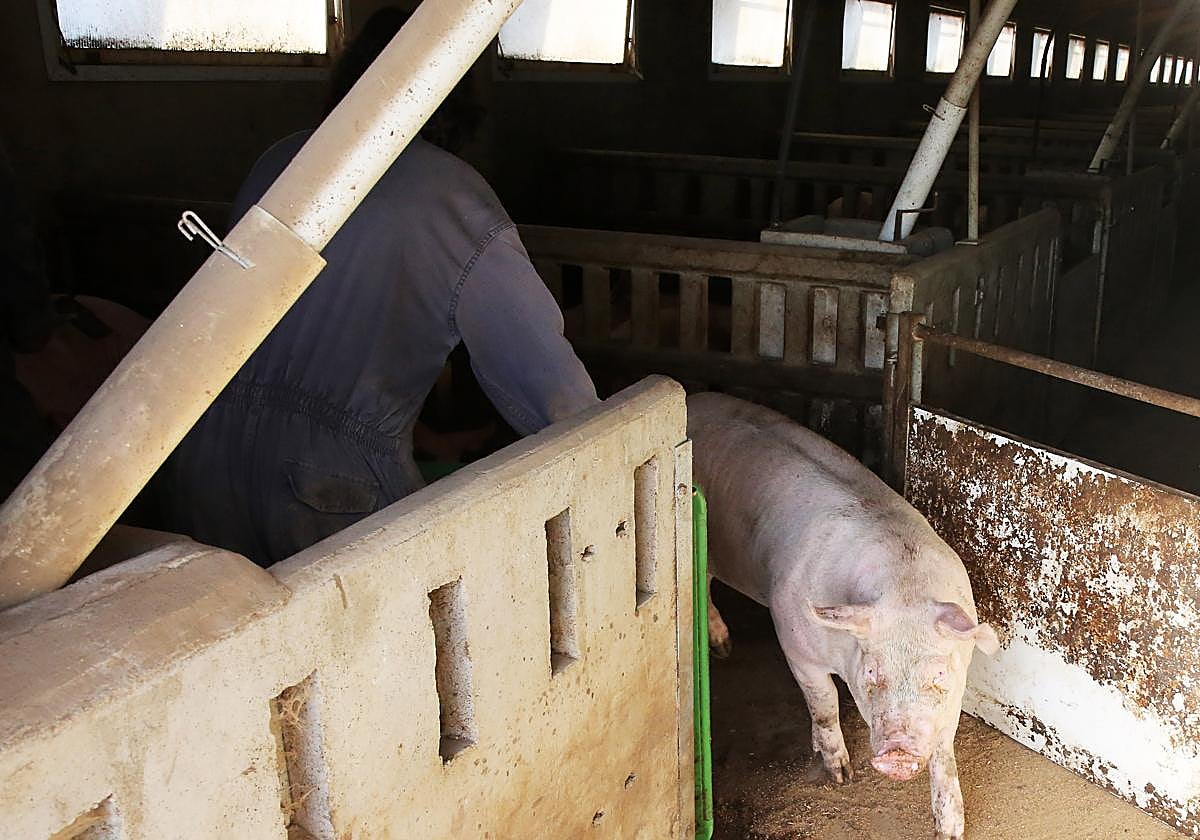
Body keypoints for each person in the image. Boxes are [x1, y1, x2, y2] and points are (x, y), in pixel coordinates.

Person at [161, 8, 599, 566]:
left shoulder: (278, 160)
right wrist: (623, 454)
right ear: (453, 92)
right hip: (328, 489)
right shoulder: (456, 199)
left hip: (204, 454)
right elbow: (552, 393)